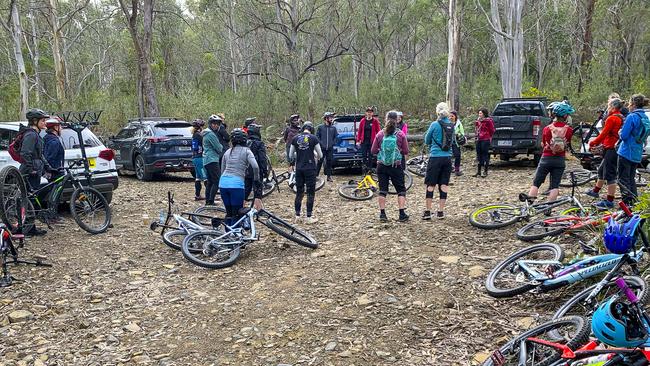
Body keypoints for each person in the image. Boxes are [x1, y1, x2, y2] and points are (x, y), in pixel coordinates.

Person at [524, 101, 575, 205]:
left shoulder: (547, 128)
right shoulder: (569, 130)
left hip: (546, 158)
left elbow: (544, 143)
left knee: (536, 183)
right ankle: (549, 209)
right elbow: (568, 143)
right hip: (560, 160)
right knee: (554, 185)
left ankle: (529, 206)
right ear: (565, 116)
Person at [585, 98, 625, 208]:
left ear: (612, 107)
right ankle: (595, 191)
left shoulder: (612, 118)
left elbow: (604, 134)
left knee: (610, 174)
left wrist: (593, 142)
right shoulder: (621, 116)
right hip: (614, 147)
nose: (607, 107)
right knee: (602, 169)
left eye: (608, 105)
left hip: (612, 148)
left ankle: (609, 201)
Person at [19, 108, 53, 236]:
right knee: (27, 200)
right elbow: (25, 153)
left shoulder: (36, 134)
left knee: (32, 199)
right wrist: (31, 169)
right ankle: (27, 229)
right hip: (29, 172)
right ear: (35, 121)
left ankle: (30, 227)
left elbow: (39, 155)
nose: (45, 123)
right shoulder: (31, 135)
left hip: (35, 170)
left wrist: (48, 167)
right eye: (43, 120)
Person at [219, 129, 263, 228]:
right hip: (236, 185)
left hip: (223, 184)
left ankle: (228, 235)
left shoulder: (228, 152)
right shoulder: (247, 151)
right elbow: (255, 166)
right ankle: (236, 236)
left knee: (229, 212)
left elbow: (222, 169)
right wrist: (256, 179)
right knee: (237, 213)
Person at [371, 111, 409, 222]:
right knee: (401, 190)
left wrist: (381, 151)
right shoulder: (400, 134)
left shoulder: (380, 134)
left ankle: (382, 214)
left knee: (383, 190)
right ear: (396, 120)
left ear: (386, 119)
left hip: (382, 166)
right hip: (396, 166)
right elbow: (406, 150)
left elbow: (373, 150)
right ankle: (402, 214)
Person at [422, 102, 456, 220]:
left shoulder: (434, 124)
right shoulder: (451, 125)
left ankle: (428, 211)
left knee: (431, 184)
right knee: (444, 184)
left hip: (435, 157)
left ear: (437, 112)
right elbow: (453, 142)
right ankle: (441, 211)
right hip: (447, 158)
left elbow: (427, 140)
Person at [617, 94, 650, 206]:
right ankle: (634, 204)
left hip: (626, 152)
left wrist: (620, 133)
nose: (629, 106)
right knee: (631, 179)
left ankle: (627, 205)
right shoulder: (645, 117)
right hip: (637, 153)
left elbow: (624, 136)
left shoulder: (632, 117)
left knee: (623, 180)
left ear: (633, 104)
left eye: (630, 104)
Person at [289, 121, 323, 224]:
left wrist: (300, 153)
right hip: (310, 168)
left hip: (299, 168)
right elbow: (320, 155)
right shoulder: (314, 138)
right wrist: (312, 152)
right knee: (310, 192)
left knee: (299, 192)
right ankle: (308, 216)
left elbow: (291, 155)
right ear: (311, 129)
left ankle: (297, 215)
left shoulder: (295, 138)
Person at [203, 115, 224, 205]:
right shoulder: (211, 134)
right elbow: (219, 148)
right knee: (217, 180)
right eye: (214, 124)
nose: (216, 126)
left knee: (210, 181)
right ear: (210, 124)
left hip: (206, 160)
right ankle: (211, 201)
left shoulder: (206, 133)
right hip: (212, 160)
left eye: (217, 124)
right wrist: (221, 146)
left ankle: (208, 201)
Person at [245, 123, 268, 200]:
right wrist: (265, 171)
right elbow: (262, 159)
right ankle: (257, 209)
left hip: (246, 170)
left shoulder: (244, 143)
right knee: (257, 193)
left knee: (246, 190)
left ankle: (239, 208)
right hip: (256, 170)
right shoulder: (259, 143)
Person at [356, 107, 380, 172]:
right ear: (366, 113)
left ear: (372, 113)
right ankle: (364, 168)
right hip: (364, 141)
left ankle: (369, 169)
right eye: (368, 112)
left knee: (370, 155)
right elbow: (360, 131)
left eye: (370, 112)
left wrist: (379, 141)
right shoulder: (362, 121)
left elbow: (378, 131)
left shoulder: (375, 121)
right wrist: (358, 140)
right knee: (364, 155)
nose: (369, 113)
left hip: (372, 141)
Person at [316, 112, 338, 182]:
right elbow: (317, 137)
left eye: (332, 117)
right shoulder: (320, 127)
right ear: (326, 118)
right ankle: (316, 176)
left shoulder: (333, 128)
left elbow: (336, 137)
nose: (331, 119)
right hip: (322, 148)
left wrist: (332, 143)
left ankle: (329, 177)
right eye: (330, 117)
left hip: (330, 148)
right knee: (320, 162)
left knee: (329, 162)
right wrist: (321, 144)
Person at [43, 117, 65, 182]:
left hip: (52, 173)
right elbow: (50, 158)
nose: (61, 129)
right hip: (55, 174)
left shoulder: (46, 138)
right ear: (55, 127)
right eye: (60, 127)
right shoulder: (54, 141)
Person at [474, 108, 495, 177]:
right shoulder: (478, 121)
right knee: (478, 154)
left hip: (485, 139)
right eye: (479, 113)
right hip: (478, 139)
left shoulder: (488, 121)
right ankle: (479, 171)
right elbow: (476, 129)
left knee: (485, 154)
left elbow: (492, 130)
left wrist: (488, 136)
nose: (479, 114)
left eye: (481, 113)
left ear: (484, 114)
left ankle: (485, 171)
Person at [191, 119, 207, 201]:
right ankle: (210, 196)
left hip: (195, 157)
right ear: (200, 127)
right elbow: (205, 145)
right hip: (200, 158)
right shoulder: (199, 135)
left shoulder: (194, 134)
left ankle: (197, 195)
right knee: (205, 177)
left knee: (198, 177)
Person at [450, 111, 465, 176]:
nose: (450, 117)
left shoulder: (459, 124)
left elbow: (462, 133)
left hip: (456, 142)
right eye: (450, 116)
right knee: (448, 156)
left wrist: (457, 134)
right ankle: (449, 168)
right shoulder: (447, 123)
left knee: (457, 155)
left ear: (455, 116)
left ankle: (457, 170)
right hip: (448, 142)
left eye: (452, 116)